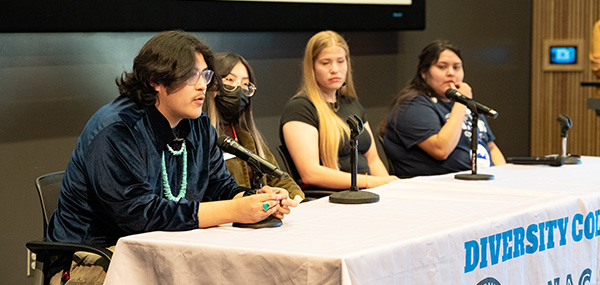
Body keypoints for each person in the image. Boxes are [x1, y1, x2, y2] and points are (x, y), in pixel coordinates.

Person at [47, 30, 297, 284]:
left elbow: (220, 187)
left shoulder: (198, 125)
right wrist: (233, 210)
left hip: (163, 252)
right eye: (192, 76)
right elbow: (138, 216)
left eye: (206, 75)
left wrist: (255, 201)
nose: (203, 85)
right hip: (95, 260)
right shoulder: (118, 129)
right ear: (156, 79)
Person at [280, 30, 398, 190]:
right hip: (333, 197)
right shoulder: (300, 108)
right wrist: (372, 183)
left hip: (367, 192)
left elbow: (373, 160)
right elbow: (310, 173)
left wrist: (390, 187)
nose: (335, 69)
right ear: (312, 67)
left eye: (340, 61)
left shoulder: (352, 103)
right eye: (325, 63)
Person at [380, 40, 505, 178]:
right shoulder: (412, 105)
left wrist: (501, 176)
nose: (451, 73)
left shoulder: (466, 105)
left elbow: (491, 147)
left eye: (457, 67)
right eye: (442, 67)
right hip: (440, 186)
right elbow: (441, 149)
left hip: (480, 180)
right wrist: (461, 102)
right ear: (424, 72)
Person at [203, 52, 304, 202]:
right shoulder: (201, 134)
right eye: (230, 80)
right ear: (212, 84)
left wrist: (292, 199)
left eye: (245, 84)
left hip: (257, 213)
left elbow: (279, 178)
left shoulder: (247, 133)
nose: (238, 89)